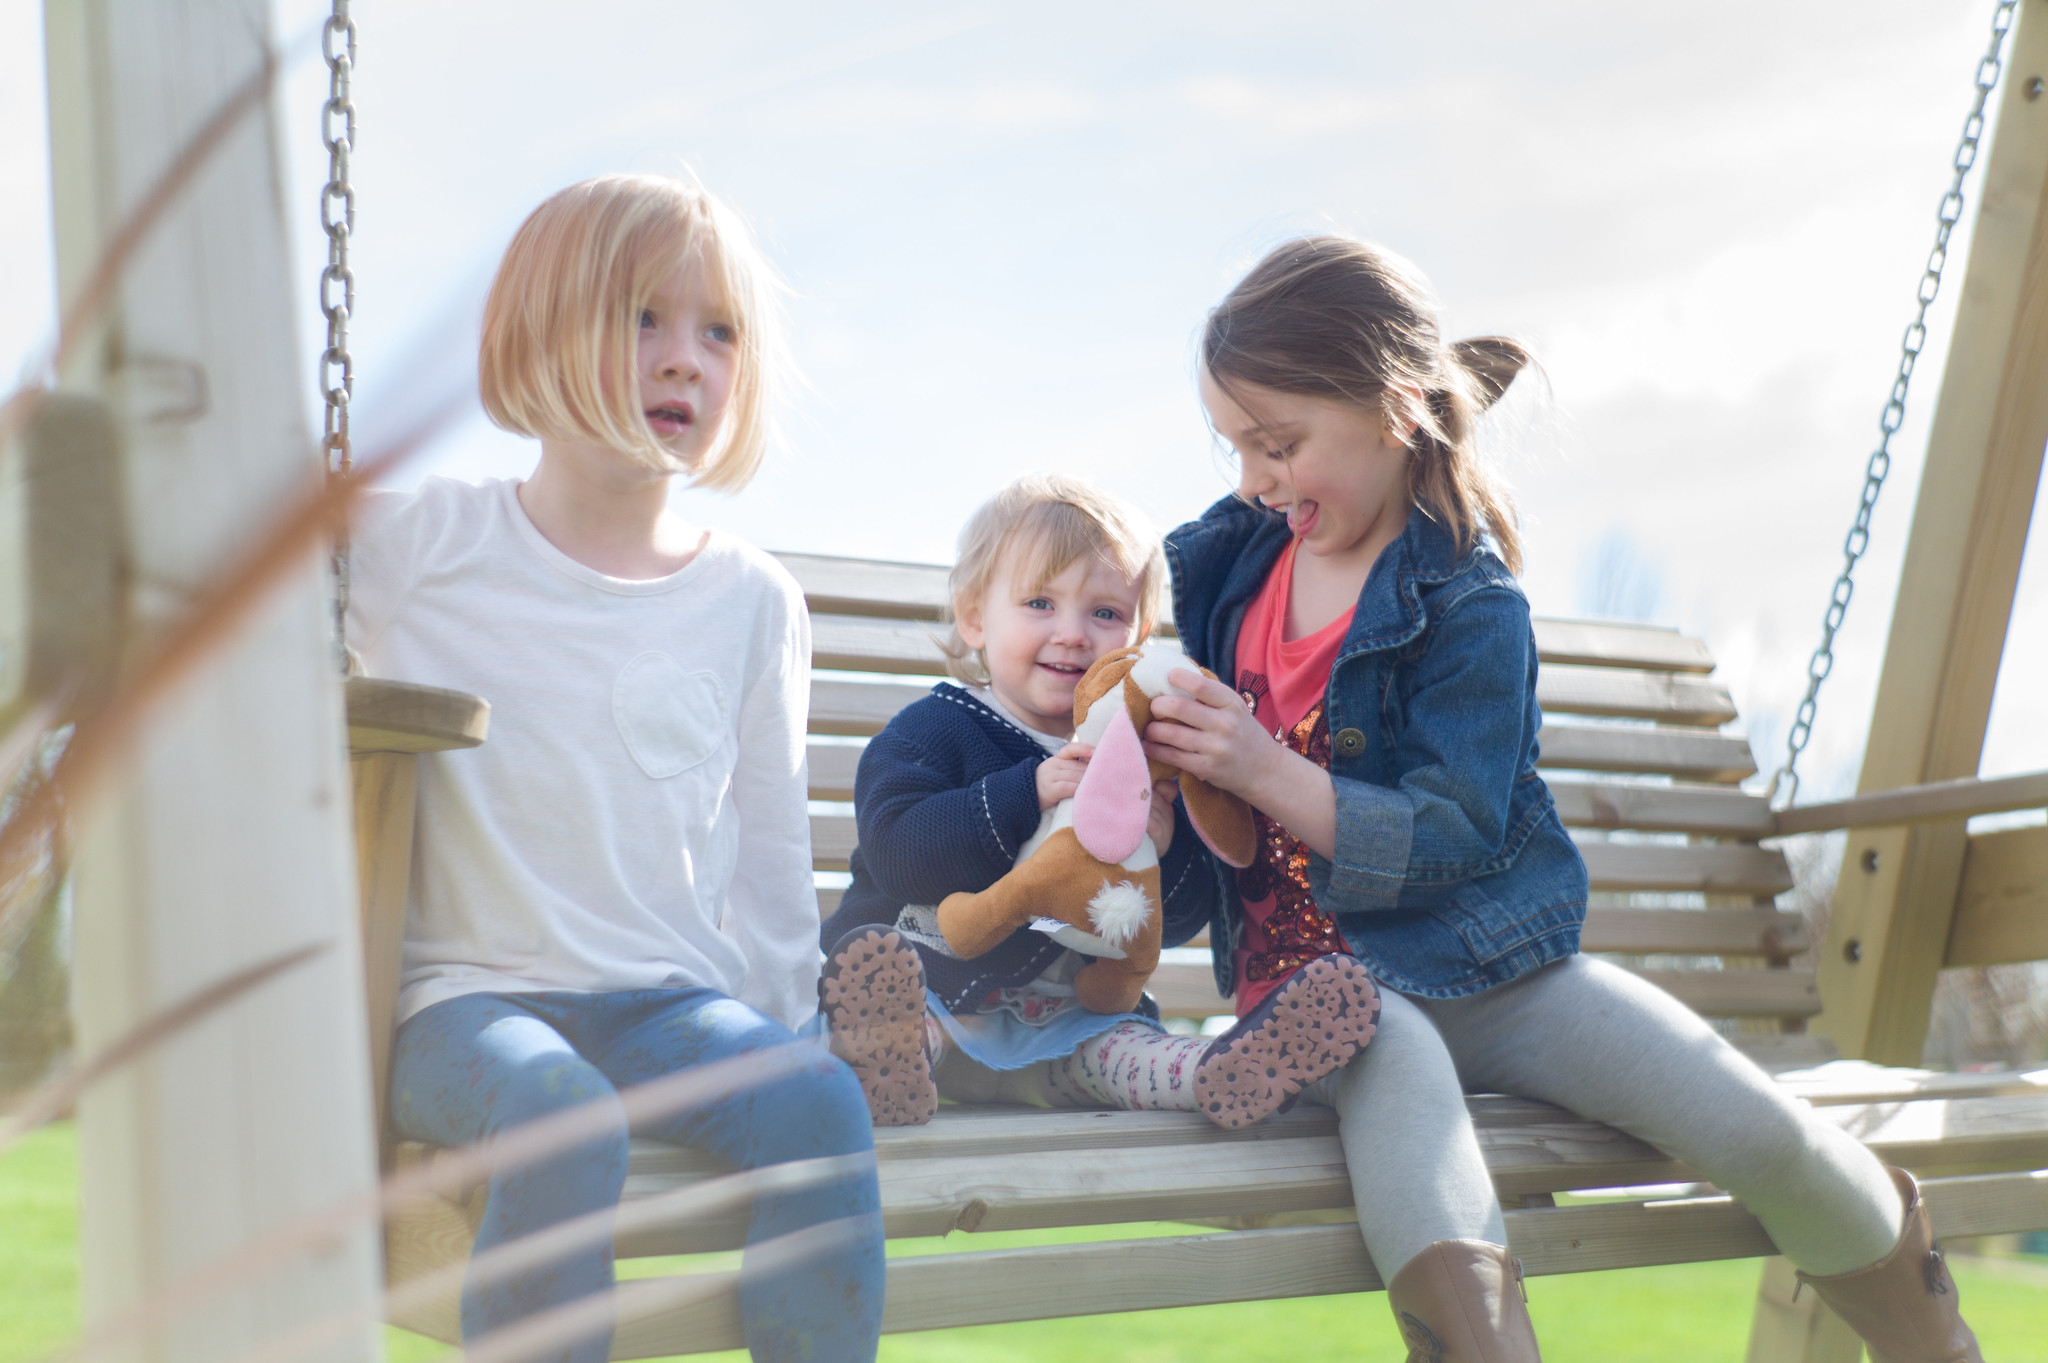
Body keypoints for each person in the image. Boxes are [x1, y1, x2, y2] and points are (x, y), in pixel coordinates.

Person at [1142, 235, 1980, 1361]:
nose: (1252, 477)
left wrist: (1259, 765)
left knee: (1745, 1121)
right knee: (1391, 1062)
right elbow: (1130, 699)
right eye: (1238, 447)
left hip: (1492, 969)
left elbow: (1452, 830)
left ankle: (1933, 1339)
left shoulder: (1467, 603)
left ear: (1395, 410)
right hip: (1314, 1001)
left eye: (1279, 442)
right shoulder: (1219, 569)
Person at [352, 174, 883, 1363]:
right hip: (465, 1006)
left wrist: (788, 1024)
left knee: (817, 1102)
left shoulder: (750, 598)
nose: (682, 358)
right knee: (559, 1116)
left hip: (665, 1005)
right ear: (539, 337)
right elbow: (227, 560)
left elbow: (763, 847)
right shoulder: (420, 544)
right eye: (642, 317)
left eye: (717, 331)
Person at [817, 474, 1378, 1128]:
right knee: (895, 1018)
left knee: (1135, 1054)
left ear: (1139, 637)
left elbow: (1181, 916)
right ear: (975, 617)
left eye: (1105, 613)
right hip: (938, 999)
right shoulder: (937, 727)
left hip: (1072, 1029)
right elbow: (899, 853)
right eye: (1039, 602)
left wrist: (1162, 850)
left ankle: (1225, 1070)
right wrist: (1026, 792)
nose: (1073, 633)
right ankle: (878, 1063)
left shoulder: (1145, 758)